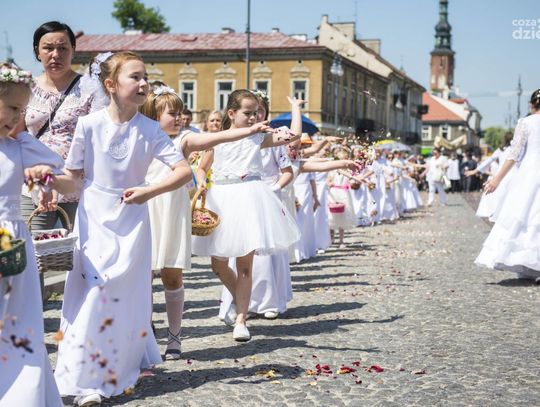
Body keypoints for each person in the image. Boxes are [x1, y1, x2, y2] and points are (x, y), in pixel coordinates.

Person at [53, 51, 193, 405]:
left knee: (123, 294)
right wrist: (48, 188)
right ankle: (84, 377)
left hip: (131, 219)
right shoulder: (89, 125)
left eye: (146, 77)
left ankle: (117, 362)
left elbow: (183, 171)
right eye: (135, 77)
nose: (144, 83)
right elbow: (73, 177)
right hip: (93, 217)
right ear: (111, 85)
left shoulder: (150, 129)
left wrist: (149, 191)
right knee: (94, 290)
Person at [140, 86, 269, 359]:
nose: (179, 118)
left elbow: (219, 136)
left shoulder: (185, 139)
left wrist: (250, 130)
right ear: (154, 115)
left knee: (172, 275)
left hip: (172, 209)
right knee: (143, 276)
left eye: (180, 113)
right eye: (172, 113)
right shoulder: (140, 137)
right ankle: (146, 330)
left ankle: (174, 337)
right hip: (146, 208)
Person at [193, 90, 302, 342]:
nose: (253, 118)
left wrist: (295, 108)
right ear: (231, 113)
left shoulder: (258, 137)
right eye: (247, 113)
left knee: (244, 266)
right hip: (222, 199)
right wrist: (201, 182)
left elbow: (293, 136)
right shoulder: (218, 138)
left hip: (250, 199)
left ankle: (241, 319)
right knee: (218, 265)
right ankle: (238, 299)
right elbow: (202, 167)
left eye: (256, 113)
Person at [0, 62, 67, 406]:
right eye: (12, 108)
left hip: (9, 241)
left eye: (22, 110)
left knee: (17, 320)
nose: (17, 117)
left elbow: (69, 179)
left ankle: (20, 393)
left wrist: (44, 177)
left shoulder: (20, 145)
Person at [20, 21, 95, 229]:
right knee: (32, 243)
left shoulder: (90, 89)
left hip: (78, 186)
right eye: (48, 48)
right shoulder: (25, 88)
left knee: (79, 246)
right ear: (37, 52)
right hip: (34, 185)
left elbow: (97, 138)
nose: (56, 54)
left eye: (63, 48)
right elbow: (17, 135)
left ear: (73, 50)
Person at [476, 89, 540, 283]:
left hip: (529, 173)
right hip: (531, 172)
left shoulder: (526, 122)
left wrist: (497, 179)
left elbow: (514, 154)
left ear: (531, 105)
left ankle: (525, 264)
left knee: (524, 216)